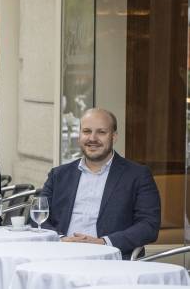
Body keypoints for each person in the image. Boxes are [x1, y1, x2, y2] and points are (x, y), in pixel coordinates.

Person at [40, 108, 160, 259]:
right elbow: (37, 217)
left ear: (114, 137)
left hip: (110, 259)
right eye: (86, 131)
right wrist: (60, 239)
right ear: (79, 136)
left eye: (101, 132)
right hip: (60, 255)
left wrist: (103, 243)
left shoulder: (137, 175)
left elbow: (149, 226)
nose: (92, 138)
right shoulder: (58, 175)